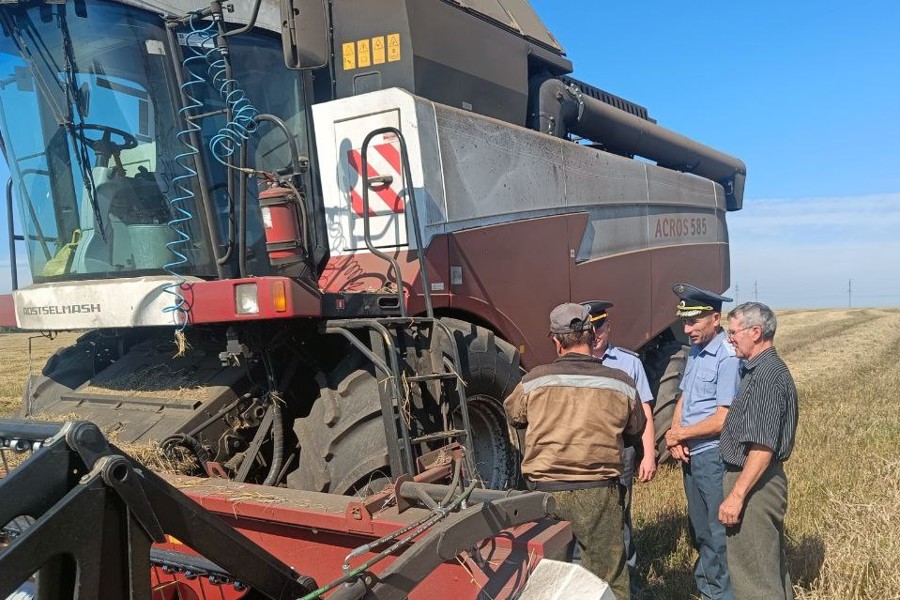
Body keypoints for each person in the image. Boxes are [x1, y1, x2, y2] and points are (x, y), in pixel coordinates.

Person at [504, 302, 646, 600]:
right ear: (592, 334)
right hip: (600, 493)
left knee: (545, 578)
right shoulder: (620, 383)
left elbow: (514, 415)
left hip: (545, 495)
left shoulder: (533, 382)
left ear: (555, 341)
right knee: (608, 579)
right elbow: (635, 430)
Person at [665, 283, 740, 600]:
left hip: (712, 455)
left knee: (716, 530)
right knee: (699, 527)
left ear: (715, 318)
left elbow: (723, 418)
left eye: (693, 321)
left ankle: (721, 593)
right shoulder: (696, 352)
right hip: (691, 455)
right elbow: (684, 397)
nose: (687, 328)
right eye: (684, 321)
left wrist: (680, 434)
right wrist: (673, 431)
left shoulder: (727, 357)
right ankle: (707, 587)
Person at [718, 302, 798, 600]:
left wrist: (737, 496)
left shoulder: (765, 376)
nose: (730, 339)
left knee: (755, 581)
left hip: (753, 484)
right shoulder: (761, 370)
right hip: (756, 480)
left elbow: (762, 447)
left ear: (756, 331)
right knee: (767, 569)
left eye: (733, 332)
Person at [582, 300, 656, 581]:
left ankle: (630, 580)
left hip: (620, 451)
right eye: (590, 328)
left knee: (620, 518)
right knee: (587, 518)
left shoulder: (628, 362)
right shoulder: (577, 363)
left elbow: (645, 410)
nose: (596, 333)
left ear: (608, 327)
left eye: (600, 326)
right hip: (585, 454)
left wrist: (648, 454)